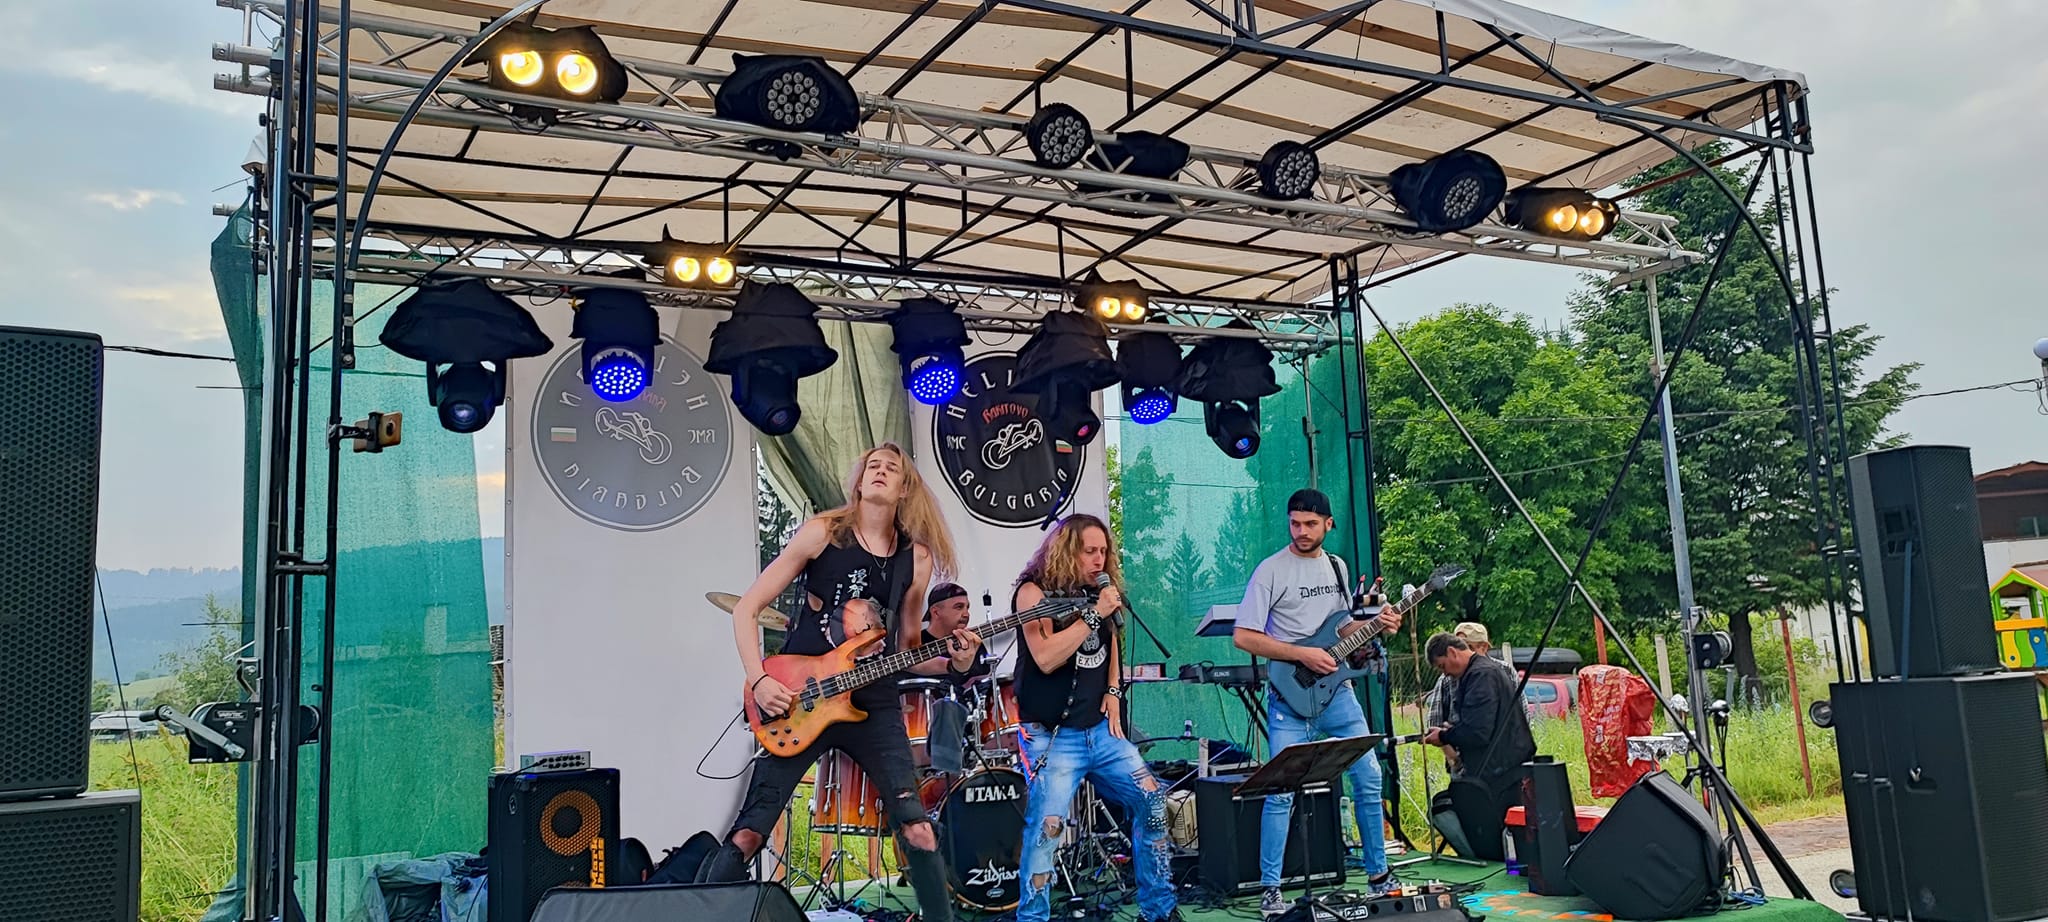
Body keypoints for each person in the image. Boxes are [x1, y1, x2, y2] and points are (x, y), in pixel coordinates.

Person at [697, 443, 978, 922]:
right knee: (749, 833)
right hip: (801, 700)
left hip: (873, 703)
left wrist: (957, 662)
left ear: (904, 489)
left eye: (891, 468)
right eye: (873, 466)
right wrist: (759, 679)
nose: (880, 471)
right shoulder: (822, 533)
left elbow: (909, 650)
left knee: (918, 830)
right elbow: (746, 610)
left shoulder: (916, 558)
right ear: (859, 482)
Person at [1233, 489, 1400, 918]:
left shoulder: (1338, 567)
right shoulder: (1271, 570)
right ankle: (1271, 890)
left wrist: (1376, 625)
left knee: (1368, 775)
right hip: (1290, 694)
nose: (1301, 531)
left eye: (1310, 524)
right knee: (1281, 791)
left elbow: (1341, 628)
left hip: (1336, 692)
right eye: (1295, 523)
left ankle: (1379, 875)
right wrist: (1301, 654)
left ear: (1329, 523)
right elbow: (1244, 636)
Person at [1011, 513, 1180, 922]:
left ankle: (1159, 910)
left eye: (1103, 551)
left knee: (1153, 800)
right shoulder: (1033, 593)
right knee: (1048, 828)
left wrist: (1114, 690)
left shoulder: (1100, 592)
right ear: (1067, 551)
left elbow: (1112, 643)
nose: (1099, 559)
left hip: (1101, 731)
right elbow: (1046, 657)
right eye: (1090, 551)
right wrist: (1093, 614)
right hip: (1052, 736)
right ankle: (1032, 917)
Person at [1423, 631, 1536, 861]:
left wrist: (1444, 736)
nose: (1444, 673)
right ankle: (1512, 864)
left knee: (1501, 833)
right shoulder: (1480, 672)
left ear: (1452, 652)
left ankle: (1509, 865)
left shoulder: (1480, 676)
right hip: (1505, 763)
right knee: (1509, 833)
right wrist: (1454, 730)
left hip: (1500, 769)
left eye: (1442, 666)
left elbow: (1478, 732)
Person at [1427, 622, 1492, 777]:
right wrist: (1456, 760)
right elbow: (1435, 722)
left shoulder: (1501, 671)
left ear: (1484, 647)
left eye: (1469, 646)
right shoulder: (1446, 679)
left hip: (1497, 763)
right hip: (1464, 762)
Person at [912, 581, 989, 687]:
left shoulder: (972, 641)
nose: (966, 614)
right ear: (936, 612)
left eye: (967, 608)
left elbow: (982, 685)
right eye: (959, 607)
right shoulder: (915, 643)